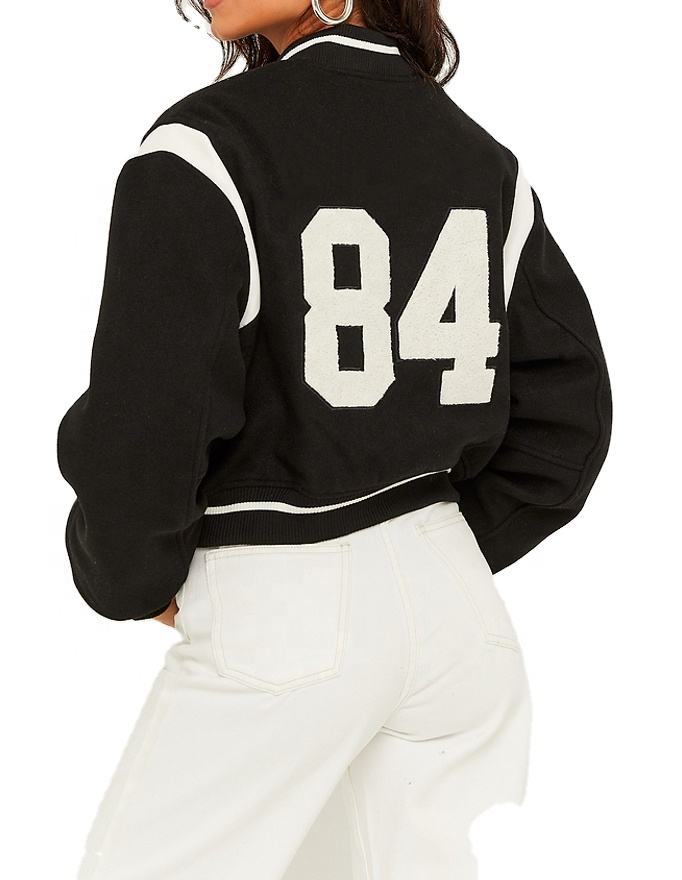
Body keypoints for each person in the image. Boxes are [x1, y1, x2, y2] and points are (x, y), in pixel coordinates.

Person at [57, 0, 612, 877]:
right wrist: (430, 554)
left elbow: (145, 422)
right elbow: (568, 419)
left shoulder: (207, 148)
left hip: (285, 609)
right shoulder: (485, 161)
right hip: (458, 623)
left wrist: (134, 574)